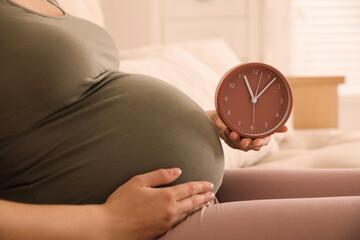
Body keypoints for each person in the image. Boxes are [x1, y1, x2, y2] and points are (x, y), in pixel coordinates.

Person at [0, 1, 359, 239]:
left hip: (181, 197)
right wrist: (107, 223)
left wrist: (205, 123)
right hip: (124, 226)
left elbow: (76, 114)